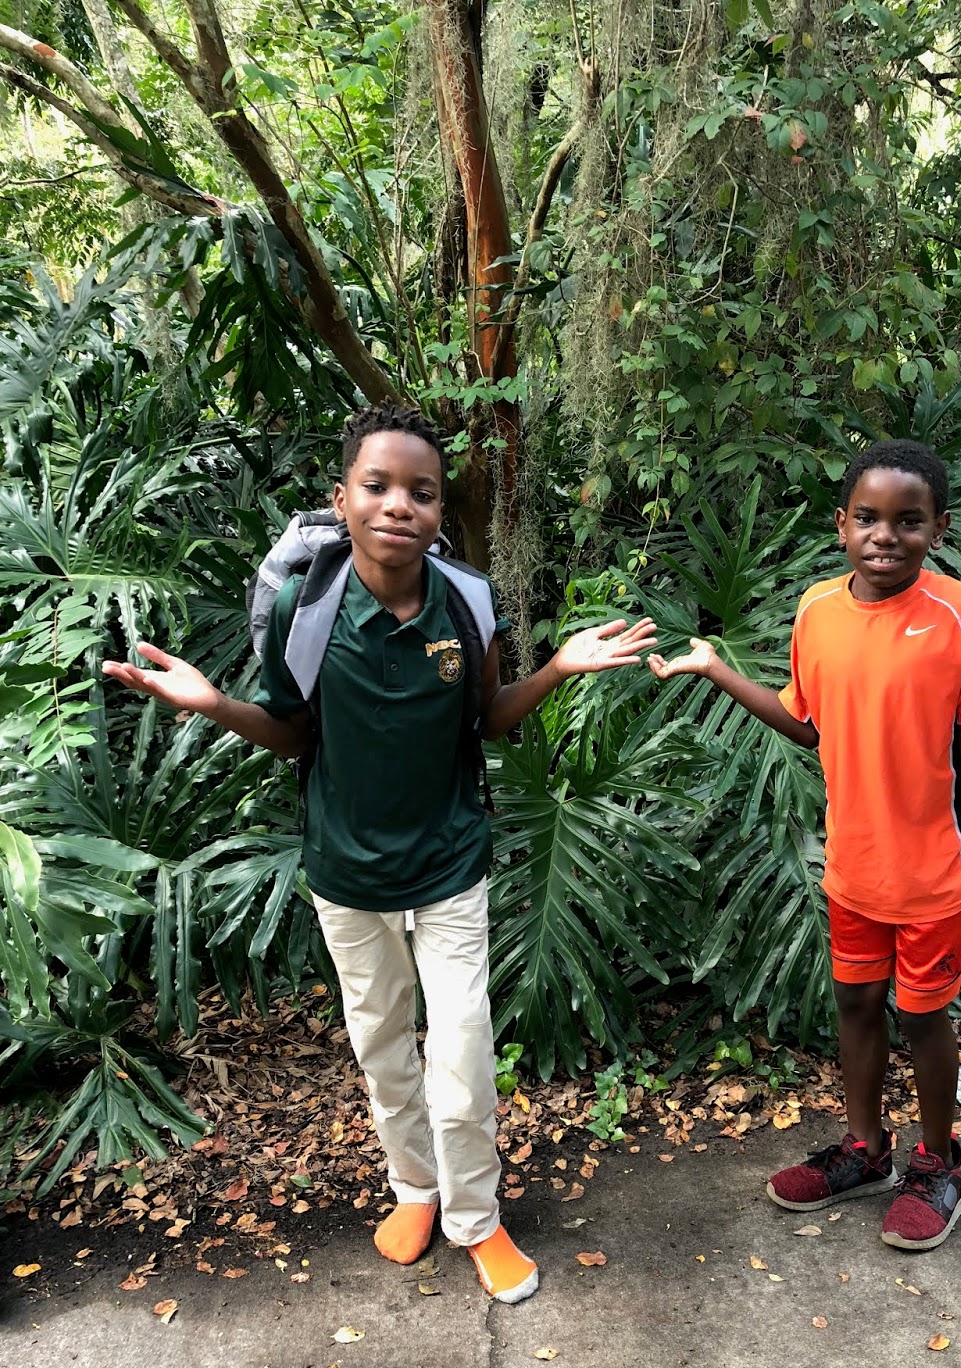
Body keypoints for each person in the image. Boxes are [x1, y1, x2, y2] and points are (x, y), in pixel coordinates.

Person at [103, 402, 656, 1303]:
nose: (400, 504)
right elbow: (294, 733)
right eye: (378, 485)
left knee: (464, 1054)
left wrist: (555, 669)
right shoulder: (305, 607)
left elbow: (486, 722)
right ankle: (415, 1189)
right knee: (383, 1046)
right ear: (343, 499)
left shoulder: (468, 603)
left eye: (422, 492)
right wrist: (216, 706)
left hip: (449, 864)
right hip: (348, 871)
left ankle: (476, 1217)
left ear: (439, 512)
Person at [648, 439, 961, 1250]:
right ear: (841, 524)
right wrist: (718, 670)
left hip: (936, 870)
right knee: (854, 1003)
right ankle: (865, 1150)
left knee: (921, 1014)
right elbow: (807, 724)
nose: (886, 535)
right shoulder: (817, 609)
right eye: (869, 518)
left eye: (908, 521)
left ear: (938, 529)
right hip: (854, 865)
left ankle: (939, 1162)